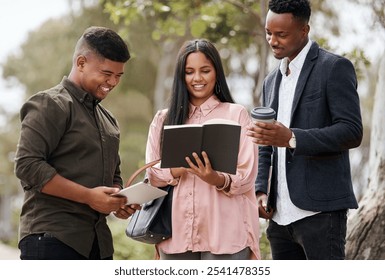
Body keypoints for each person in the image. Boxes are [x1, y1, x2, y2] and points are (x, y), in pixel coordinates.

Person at [246, 0, 363, 260]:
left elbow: (351, 131)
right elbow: (266, 144)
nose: (272, 40)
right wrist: (261, 190)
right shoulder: (270, 81)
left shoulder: (333, 68)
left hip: (320, 213)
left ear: (304, 30)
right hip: (278, 219)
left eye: (281, 34)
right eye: (268, 32)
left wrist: (292, 138)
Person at [14, 26, 139, 260]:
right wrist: (90, 197)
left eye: (118, 76)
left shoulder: (108, 120)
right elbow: (27, 166)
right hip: (52, 240)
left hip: (99, 246)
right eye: (106, 73)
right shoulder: (50, 103)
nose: (112, 82)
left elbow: (114, 175)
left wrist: (118, 200)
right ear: (81, 63)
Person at [145, 39, 260, 260]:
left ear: (216, 72)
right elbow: (152, 173)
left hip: (226, 235)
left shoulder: (236, 114)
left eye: (205, 70)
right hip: (175, 235)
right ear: (181, 76)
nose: (197, 78)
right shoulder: (164, 119)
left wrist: (216, 178)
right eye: (189, 72)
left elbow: (247, 175)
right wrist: (179, 168)